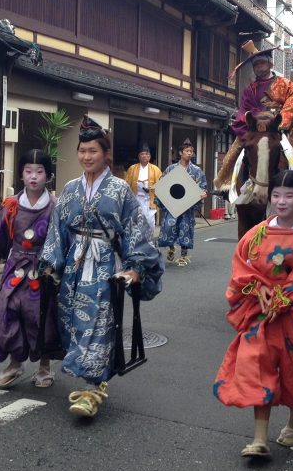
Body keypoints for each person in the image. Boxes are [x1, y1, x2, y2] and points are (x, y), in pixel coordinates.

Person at [40, 116, 163, 418]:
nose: (86, 156)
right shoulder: (69, 188)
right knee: (71, 320)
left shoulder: (120, 189)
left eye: (93, 151)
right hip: (72, 266)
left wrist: (134, 267)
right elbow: (57, 228)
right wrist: (50, 264)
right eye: (82, 150)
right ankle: (89, 379)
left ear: (105, 153)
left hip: (105, 265)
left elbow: (136, 229)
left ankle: (96, 387)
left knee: (99, 323)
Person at [213, 170, 293, 459]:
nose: (281, 202)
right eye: (277, 195)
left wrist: (280, 297)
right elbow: (241, 267)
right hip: (260, 315)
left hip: (292, 315)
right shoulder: (258, 233)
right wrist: (259, 289)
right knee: (257, 364)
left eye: (289, 196)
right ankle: (259, 439)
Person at [0, 149, 61, 389]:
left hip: (43, 267)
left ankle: (44, 366)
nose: (33, 177)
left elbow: (61, 238)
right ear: (21, 174)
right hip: (16, 264)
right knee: (7, 311)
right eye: (28, 171)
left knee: (41, 316)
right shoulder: (11, 204)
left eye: (39, 172)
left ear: (48, 176)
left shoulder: (55, 206)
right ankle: (15, 363)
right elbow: (1, 236)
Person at [215, 40, 293, 190]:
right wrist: (257, 118)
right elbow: (244, 110)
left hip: (278, 128)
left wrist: (279, 121)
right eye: (256, 65)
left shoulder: (285, 84)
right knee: (234, 152)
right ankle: (227, 185)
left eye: (261, 63)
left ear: (270, 64)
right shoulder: (250, 89)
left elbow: (292, 102)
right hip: (254, 127)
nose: (258, 66)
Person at [158, 138, 208, 267]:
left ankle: (184, 255)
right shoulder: (171, 169)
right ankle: (171, 247)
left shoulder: (197, 171)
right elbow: (162, 184)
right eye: (187, 151)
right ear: (180, 153)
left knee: (185, 229)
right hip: (172, 204)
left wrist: (203, 194)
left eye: (191, 151)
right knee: (169, 227)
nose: (189, 153)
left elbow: (203, 187)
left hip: (188, 207)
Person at [124, 144, 162, 235]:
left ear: (150, 156)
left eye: (147, 154)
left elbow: (161, 184)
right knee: (136, 220)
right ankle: (137, 241)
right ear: (139, 156)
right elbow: (126, 184)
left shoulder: (155, 169)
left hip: (149, 198)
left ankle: (149, 240)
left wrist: (151, 187)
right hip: (136, 197)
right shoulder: (132, 168)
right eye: (143, 154)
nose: (145, 156)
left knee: (150, 221)